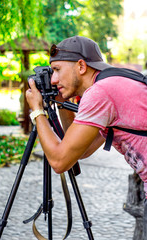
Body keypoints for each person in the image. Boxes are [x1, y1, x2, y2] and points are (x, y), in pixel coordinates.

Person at [26, 36, 147, 237]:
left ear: (81, 66)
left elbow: (59, 161)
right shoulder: (112, 82)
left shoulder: (101, 93)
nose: (53, 80)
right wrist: (60, 100)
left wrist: (37, 110)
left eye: (57, 70)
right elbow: (81, 150)